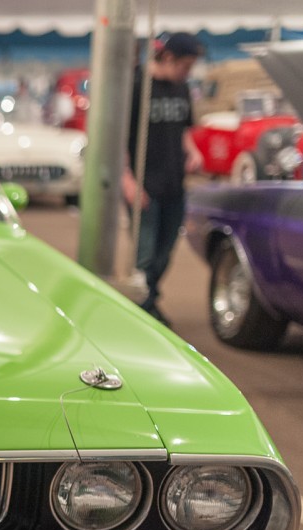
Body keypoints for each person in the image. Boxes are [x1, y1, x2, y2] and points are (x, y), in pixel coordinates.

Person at [122, 31, 204, 326]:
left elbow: (183, 130)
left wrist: (192, 152)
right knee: (144, 254)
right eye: (185, 65)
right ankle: (141, 313)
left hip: (173, 184)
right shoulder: (137, 87)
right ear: (167, 57)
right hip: (144, 185)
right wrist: (127, 181)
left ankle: (150, 301)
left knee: (165, 252)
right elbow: (118, 138)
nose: (188, 72)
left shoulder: (181, 88)